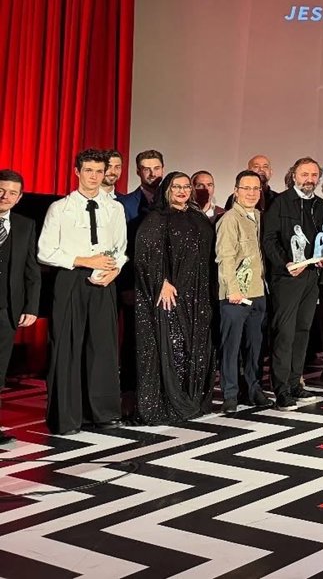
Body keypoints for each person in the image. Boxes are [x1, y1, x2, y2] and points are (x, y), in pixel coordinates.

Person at [38, 149, 128, 435]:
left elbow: (121, 248)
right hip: (70, 279)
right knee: (67, 346)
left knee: (102, 346)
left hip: (104, 280)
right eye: (89, 170)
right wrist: (84, 260)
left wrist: (116, 269)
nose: (94, 176)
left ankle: (103, 413)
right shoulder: (60, 208)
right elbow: (45, 251)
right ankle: (66, 417)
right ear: (77, 172)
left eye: (99, 171)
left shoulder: (115, 208)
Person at [133, 171, 215, 424]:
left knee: (197, 346)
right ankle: (171, 401)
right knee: (174, 346)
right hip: (172, 293)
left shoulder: (198, 217)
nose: (182, 191)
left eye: (186, 187)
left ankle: (193, 398)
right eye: (176, 187)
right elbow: (145, 255)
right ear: (167, 190)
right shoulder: (157, 218)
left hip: (199, 294)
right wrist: (162, 282)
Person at [262, 156, 323, 410]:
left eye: (314, 175)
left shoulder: (321, 205)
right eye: (304, 174)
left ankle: (295, 383)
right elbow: (269, 239)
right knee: (285, 333)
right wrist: (286, 264)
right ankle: (281, 389)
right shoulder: (279, 203)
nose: (309, 179)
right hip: (287, 278)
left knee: (303, 331)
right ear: (293, 176)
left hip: (311, 277)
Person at [215, 169, 269, 413]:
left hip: (258, 291)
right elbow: (225, 258)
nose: (251, 193)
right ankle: (230, 394)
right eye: (246, 188)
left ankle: (254, 389)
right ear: (236, 191)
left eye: (256, 188)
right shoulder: (229, 219)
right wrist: (233, 290)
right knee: (232, 346)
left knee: (255, 346)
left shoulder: (259, 216)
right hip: (235, 296)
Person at [0, 169, 41, 440]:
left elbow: (31, 270)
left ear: (19, 197)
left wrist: (31, 306)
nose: (5, 196)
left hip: (7, 309)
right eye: (1, 190)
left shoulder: (25, 225)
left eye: (12, 193)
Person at [118, 149, 164, 221]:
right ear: (138, 172)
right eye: (146, 169)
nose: (153, 174)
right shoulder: (124, 204)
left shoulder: (172, 200)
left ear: (163, 169)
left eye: (156, 168)